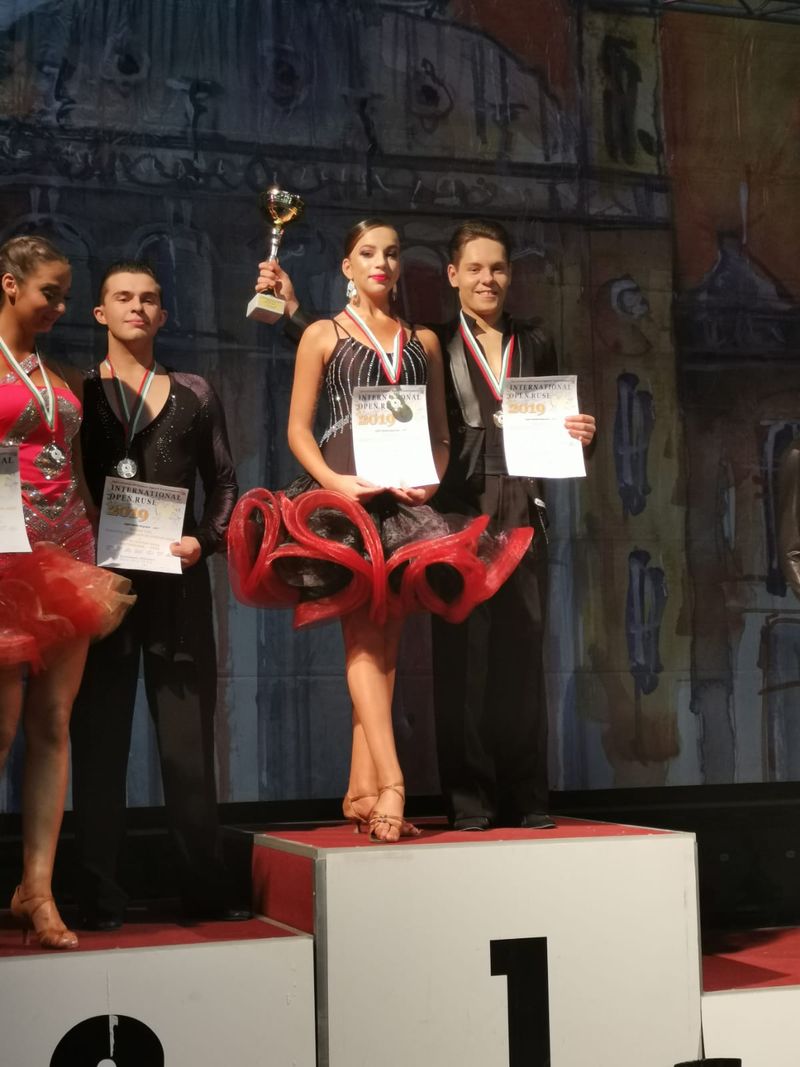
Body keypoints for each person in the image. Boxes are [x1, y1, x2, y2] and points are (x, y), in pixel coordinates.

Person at [257, 218, 596, 830]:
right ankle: (464, 801)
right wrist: (290, 312)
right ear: (452, 276)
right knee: (458, 657)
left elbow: (556, 421)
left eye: (498, 268)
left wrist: (580, 435)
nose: (487, 279)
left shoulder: (533, 340)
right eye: (475, 268)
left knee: (521, 651)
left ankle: (525, 798)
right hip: (451, 507)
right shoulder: (436, 336)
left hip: (513, 500)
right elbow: (353, 358)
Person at [69, 261, 246, 928]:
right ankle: (98, 897)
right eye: (123, 297)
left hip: (177, 583)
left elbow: (224, 481)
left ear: (163, 315)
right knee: (98, 743)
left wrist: (206, 540)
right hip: (101, 586)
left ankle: (204, 891)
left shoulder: (194, 391)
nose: (136, 307)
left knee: (187, 745)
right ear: (100, 312)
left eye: (148, 299)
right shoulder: (79, 390)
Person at [0, 235, 134, 949]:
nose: (58, 306)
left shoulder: (59, 374)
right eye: (48, 292)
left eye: (64, 295)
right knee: (1, 726)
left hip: (68, 553)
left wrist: (100, 549)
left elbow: (76, 471)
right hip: (4, 557)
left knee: (54, 722)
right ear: (9, 284)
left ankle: (38, 888)